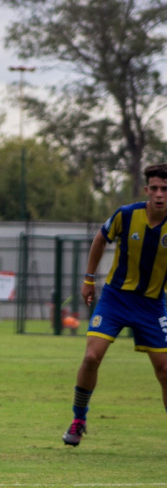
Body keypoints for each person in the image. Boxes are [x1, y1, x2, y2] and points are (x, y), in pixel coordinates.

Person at [63, 162, 167, 446]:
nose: (160, 194)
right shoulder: (126, 215)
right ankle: (78, 418)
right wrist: (88, 279)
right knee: (91, 357)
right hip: (115, 299)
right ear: (147, 189)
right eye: (155, 188)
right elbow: (100, 239)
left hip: (153, 305)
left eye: (165, 189)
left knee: (165, 370)